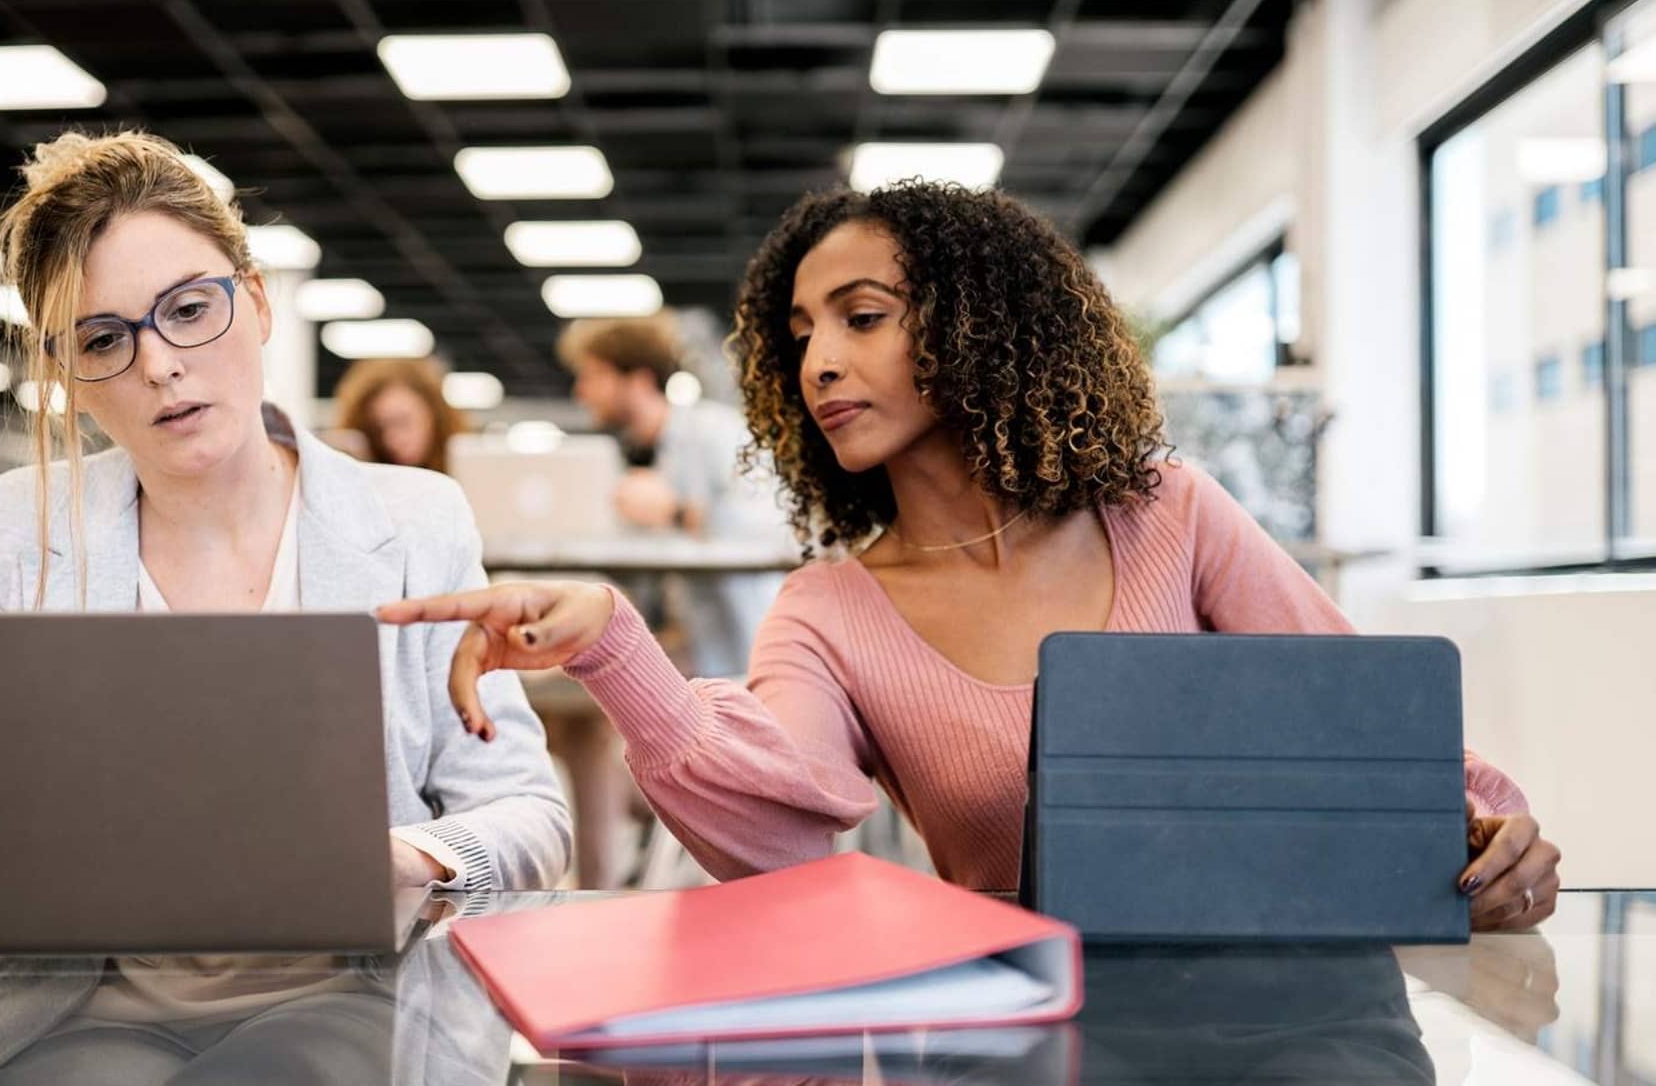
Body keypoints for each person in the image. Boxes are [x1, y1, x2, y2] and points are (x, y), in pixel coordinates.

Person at [383, 181, 1560, 933]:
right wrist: (609, 645)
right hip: (1019, 1040)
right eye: (799, 337)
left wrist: (1483, 839)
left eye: (861, 315)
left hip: (1282, 1015)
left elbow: (1368, 732)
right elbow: (775, 827)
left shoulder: (1166, 514)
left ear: (975, 321)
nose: (819, 364)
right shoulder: (829, 609)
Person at [0, 130, 569, 1071]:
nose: (159, 365)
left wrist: (409, 859)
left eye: (188, 309)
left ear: (257, 302)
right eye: (104, 339)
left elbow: (529, 813)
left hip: (355, 991)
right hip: (86, 1005)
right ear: (68, 374)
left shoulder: (413, 521)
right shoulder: (18, 530)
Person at [557, 316, 786, 679]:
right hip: (709, 660)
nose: (581, 392)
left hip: (756, 649)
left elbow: (773, 528)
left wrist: (677, 513)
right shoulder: (646, 455)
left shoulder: (717, 431)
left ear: (638, 380)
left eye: (593, 376)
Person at [332, 357, 467, 473]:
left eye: (403, 422)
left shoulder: (468, 470)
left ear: (435, 414)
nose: (392, 440)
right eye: (378, 430)